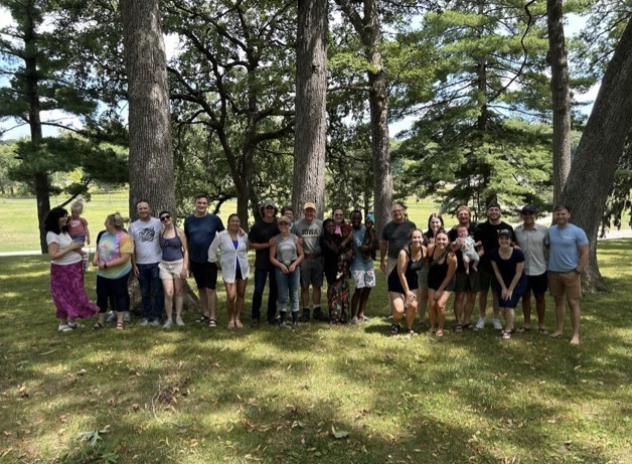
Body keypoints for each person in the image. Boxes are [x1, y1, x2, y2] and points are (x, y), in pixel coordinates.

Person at [45, 207, 99, 332]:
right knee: (63, 294)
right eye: (62, 216)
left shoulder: (64, 231)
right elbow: (53, 255)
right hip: (62, 270)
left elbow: (71, 246)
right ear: (55, 219)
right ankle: (63, 323)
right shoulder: (52, 234)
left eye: (66, 216)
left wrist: (80, 251)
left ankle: (72, 321)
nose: (66, 219)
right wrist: (72, 246)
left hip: (75, 267)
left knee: (76, 293)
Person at [547, 204, 589, 345]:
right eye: (558, 214)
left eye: (563, 214)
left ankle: (575, 334)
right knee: (558, 301)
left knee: (572, 303)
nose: (560, 216)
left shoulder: (577, 232)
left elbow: (585, 252)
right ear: (554, 215)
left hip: (571, 273)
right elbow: (547, 245)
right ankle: (559, 329)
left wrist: (578, 270)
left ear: (569, 215)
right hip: (554, 272)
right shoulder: (551, 231)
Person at [184, 193, 224, 328]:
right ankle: (205, 313)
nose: (201, 205)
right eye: (199, 203)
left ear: (207, 205)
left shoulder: (214, 220)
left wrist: (220, 257)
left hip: (210, 260)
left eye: (204, 203)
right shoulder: (188, 221)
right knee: (201, 288)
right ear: (195, 204)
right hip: (195, 260)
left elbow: (224, 237)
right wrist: (188, 261)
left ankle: (213, 316)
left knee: (210, 289)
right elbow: (188, 240)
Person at [474, 202, 514, 331]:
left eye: (496, 210)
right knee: (483, 293)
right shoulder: (480, 227)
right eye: (491, 210)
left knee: (496, 293)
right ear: (487, 212)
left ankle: (496, 318)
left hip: (500, 267)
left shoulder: (507, 227)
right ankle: (482, 317)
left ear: (500, 212)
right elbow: (475, 245)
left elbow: (512, 245)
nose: (494, 212)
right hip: (484, 266)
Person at [93, 213, 134, 330]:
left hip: (119, 273)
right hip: (102, 273)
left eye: (106, 222)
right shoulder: (103, 235)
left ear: (112, 224)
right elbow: (98, 249)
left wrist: (106, 265)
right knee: (101, 296)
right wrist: (95, 258)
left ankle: (120, 321)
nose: (104, 224)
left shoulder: (125, 238)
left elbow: (125, 258)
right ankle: (100, 321)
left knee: (119, 295)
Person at [208, 214, 250, 329]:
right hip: (228, 269)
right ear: (228, 223)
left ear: (239, 223)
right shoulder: (221, 236)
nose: (235, 223)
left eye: (237, 221)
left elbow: (246, 249)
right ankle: (231, 318)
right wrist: (216, 262)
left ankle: (238, 318)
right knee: (231, 296)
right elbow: (212, 250)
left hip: (242, 268)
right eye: (232, 221)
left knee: (241, 293)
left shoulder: (243, 235)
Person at [514, 205, 549, 334]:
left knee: (540, 297)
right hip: (523, 270)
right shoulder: (517, 231)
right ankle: (527, 323)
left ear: (535, 215)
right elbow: (513, 245)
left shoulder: (544, 230)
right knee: (526, 296)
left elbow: (549, 246)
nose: (528, 216)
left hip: (540, 269)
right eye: (525, 214)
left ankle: (541, 324)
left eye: (531, 214)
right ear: (522, 216)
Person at [129, 200, 164, 326]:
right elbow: (131, 248)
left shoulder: (158, 223)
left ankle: (158, 316)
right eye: (140, 209)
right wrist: (134, 265)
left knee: (158, 291)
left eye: (145, 208)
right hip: (141, 265)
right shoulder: (133, 226)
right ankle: (146, 316)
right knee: (144, 292)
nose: (143, 211)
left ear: (150, 209)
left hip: (157, 263)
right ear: (137, 211)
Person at [490, 229, 527, 340]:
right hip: (502, 282)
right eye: (501, 238)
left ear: (511, 240)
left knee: (508, 305)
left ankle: (508, 329)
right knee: (502, 307)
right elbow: (496, 271)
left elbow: (519, 272)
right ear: (498, 240)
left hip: (517, 282)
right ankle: (510, 325)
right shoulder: (493, 253)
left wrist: (510, 289)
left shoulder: (518, 253)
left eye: (507, 238)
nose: (504, 241)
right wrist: (503, 288)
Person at [387, 229, 425, 335]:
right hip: (397, 280)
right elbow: (401, 274)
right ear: (410, 240)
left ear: (423, 239)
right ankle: (395, 323)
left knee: (412, 305)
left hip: (412, 280)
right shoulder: (404, 253)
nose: (417, 240)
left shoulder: (424, 251)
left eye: (419, 237)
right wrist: (407, 292)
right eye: (414, 237)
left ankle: (409, 328)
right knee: (399, 311)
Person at [248, 199, 280, 326]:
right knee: (258, 290)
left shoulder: (278, 225)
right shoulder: (257, 225)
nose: (269, 210)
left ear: (274, 210)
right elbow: (251, 244)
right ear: (263, 210)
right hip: (261, 263)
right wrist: (267, 244)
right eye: (267, 208)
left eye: (271, 208)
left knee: (274, 290)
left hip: (275, 262)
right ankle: (255, 317)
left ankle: (271, 316)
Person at [448, 206, 480, 332]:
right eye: (460, 214)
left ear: (469, 216)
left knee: (472, 295)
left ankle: (467, 320)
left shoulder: (476, 230)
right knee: (460, 295)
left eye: (465, 214)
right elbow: (449, 250)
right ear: (457, 216)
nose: (463, 216)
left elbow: (481, 248)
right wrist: (457, 246)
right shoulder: (453, 231)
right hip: (459, 268)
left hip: (473, 268)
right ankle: (458, 322)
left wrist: (475, 258)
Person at [270, 215, 305, 329]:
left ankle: (295, 320)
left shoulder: (295, 238)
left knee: (294, 293)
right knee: (283, 294)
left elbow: (302, 254)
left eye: (286, 224)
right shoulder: (275, 239)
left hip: (294, 267)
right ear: (278, 225)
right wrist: (281, 265)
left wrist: (295, 264)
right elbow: (272, 257)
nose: (283, 226)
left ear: (289, 225)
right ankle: (283, 320)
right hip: (281, 267)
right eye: (281, 224)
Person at [157, 211, 189, 329]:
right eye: (163, 218)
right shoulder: (161, 231)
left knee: (178, 291)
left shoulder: (179, 232)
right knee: (168, 293)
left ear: (171, 217)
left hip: (178, 264)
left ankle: (178, 317)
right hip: (165, 265)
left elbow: (186, 250)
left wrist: (184, 267)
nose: (165, 220)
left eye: (167, 217)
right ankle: (169, 318)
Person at [294, 202, 324, 322]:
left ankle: (317, 310)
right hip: (305, 258)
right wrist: (297, 241)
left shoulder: (320, 224)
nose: (309, 213)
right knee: (305, 286)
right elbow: (288, 236)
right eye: (307, 210)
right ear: (303, 212)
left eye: (312, 211)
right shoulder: (297, 225)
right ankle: (305, 311)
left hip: (317, 258)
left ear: (315, 212)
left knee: (317, 285)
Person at [321, 218, 353, 323]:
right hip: (332, 269)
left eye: (333, 226)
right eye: (328, 226)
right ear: (324, 228)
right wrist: (346, 241)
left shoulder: (337, 237)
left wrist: (349, 251)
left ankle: (344, 316)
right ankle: (334, 317)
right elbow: (334, 251)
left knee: (344, 292)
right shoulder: (323, 239)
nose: (331, 228)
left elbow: (346, 249)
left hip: (343, 268)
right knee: (334, 293)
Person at [426, 230, 457, 337]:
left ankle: (440, 328)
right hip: (433, 279)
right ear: (435, 240)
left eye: (444, 239)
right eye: (438, 239)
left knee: (440, 305)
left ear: (448, 241)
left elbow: (449, 276)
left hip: (447, 282)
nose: (441, 242)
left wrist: (439, 291)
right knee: (432, 304)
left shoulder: (452, 257)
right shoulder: (430, 249)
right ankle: (432, 326)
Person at [350, 211, 379, 324]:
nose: (356, 220)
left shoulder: (366, 229)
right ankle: (353, 316)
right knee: (359, 289)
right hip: (357, 264)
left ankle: (361, 313)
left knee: (368, 288)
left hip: (369, 264)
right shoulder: (349, 231)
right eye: (354, 218)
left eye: (358, 218)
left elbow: (376, 244)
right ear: (351, 219)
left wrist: (368, 248)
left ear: (361, 218)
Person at [418, 213, 443, 327]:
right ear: (429, 223)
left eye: (437, 222)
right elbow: (421, 252)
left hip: (440, 269)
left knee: (437, 295)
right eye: (432, 222)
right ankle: (422, 318)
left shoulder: (444, 235)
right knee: (423, 294)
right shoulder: (425, 236)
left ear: (441, 223)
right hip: (426, 267)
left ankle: (437, 318)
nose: (435, 224)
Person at [380, 203, 417, 276]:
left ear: (403, 211)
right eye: (394, 211)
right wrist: (382, 260)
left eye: (398, 210)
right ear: (391, 214)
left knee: (408, 283)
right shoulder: (387, 227)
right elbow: (383, 244)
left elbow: (416, 242)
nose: (397, 213)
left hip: (408, 259)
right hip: (392, 260)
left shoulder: (411, 225)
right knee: (391, 283)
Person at [67, 200, 90, 271]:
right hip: (70, 237)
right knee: (73, 249)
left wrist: (88, 238)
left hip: (80, 236)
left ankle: (84, 255)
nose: (74, 214)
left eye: (76, 213)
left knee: (74, 247)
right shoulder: (69, 219)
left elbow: (86, 229)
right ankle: (83, 262)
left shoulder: (82, 220)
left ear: (80, 212)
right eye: (72, 212)